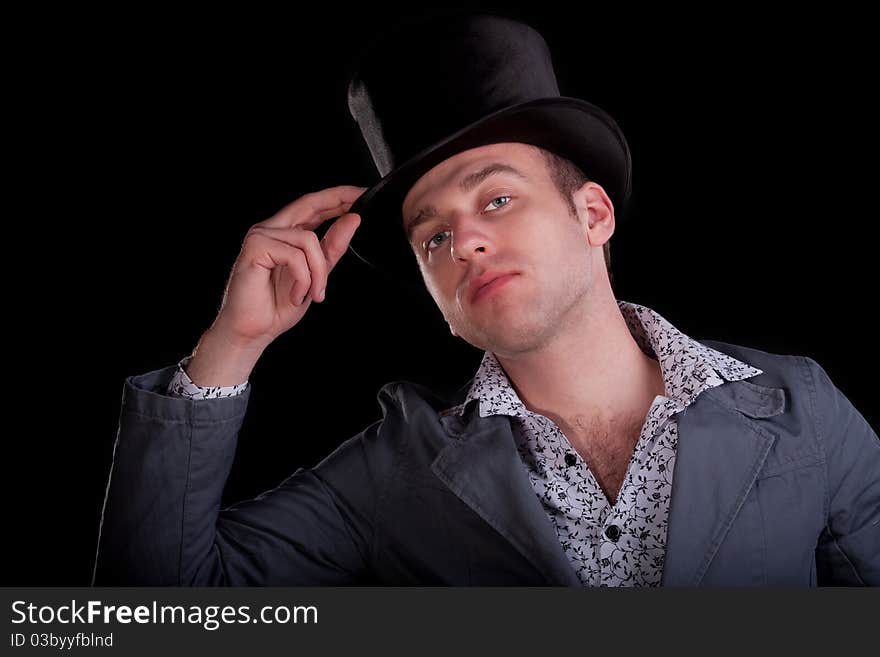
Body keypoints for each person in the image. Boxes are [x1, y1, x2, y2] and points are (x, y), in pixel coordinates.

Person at [92, 12, 879, 586]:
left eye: (496, 201)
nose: (462, 241)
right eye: (432, 236)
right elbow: (156, 613)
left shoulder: (800, 407)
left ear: (593, 214)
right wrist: (233, 342)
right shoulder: (393, 470)